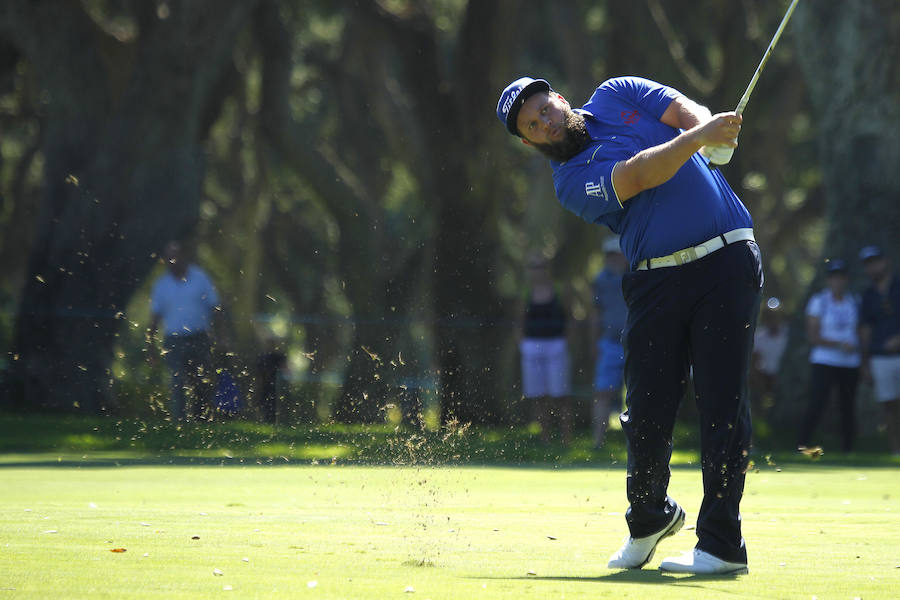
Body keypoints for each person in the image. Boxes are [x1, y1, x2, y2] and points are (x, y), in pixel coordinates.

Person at [497, 75, 762, 575]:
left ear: (560, 97)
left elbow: (679, 107)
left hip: (726, 260)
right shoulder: (571, 181)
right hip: (655, 280)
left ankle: (723, 545)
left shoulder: (617, 91)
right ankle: (649, 520)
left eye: (544, 110)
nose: (546, 125)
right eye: (532, 127)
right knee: (645, 412)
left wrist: (707, 126)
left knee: (722, 405)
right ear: (529, 142)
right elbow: (641, 174)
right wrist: (701, 140)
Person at [148, 240, 225, 421]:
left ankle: (201, 421)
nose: (172, 260)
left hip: (199, 338)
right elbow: (155, 318)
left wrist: (222, 336)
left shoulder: (200, 278)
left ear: (183, 256)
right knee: (177, 381)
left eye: (175, 256)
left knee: (201, 382)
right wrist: (150, 346)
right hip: (174, 340)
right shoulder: (161, 285)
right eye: (168, 257)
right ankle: (180, 422)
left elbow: (216, 308)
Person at [797, 260, 861, 452]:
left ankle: (847, 449)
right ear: (829, 280)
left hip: (850, 363)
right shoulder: (819, 301)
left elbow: (861, 331)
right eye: (834, 277)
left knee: (847, 406)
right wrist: (839, 344)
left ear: (846, 279)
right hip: (824, 360)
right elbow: (813, 336)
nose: (838, 281)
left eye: (841, 277)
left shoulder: (854, 301)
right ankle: (801, 445)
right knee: (817, 402)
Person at [519, 254, 572, 446]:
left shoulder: (558, 289)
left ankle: (566, 440)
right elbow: (519, 320)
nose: (537, 271)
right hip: (532, 345)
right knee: (539, 396)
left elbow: (569, 316)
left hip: (556, 344)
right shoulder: (526, 292)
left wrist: (567, 341)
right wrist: (521, 344)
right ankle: (545, 440)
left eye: (540, 267)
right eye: (533, 267)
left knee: (561, 394)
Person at [858, 245, 900, 456]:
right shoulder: (868, 296)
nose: (873, 268)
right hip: (880, 357)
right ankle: (896, 450)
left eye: (876, 262)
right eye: (868, 265)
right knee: (889, 406)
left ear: (885, 261)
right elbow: (865, 330)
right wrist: (865, 363)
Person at [590, 235, 628, 449]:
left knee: (636, 393)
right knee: (603, 392)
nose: (614, 259)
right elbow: (596, 313)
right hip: (610, 342)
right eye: (610, 255)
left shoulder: (636, 275)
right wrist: (594, 342)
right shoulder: (600, 280)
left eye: (617, 254)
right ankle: (598, 442)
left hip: (634, 344)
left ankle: (636, 442)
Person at [750, 298, 789, 418]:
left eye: (775, 316)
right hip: (765, 376)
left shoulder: (788, 335)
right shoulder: (759, 336)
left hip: (784, 375)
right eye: (769, 316)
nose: (773, 320)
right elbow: (754, 360)